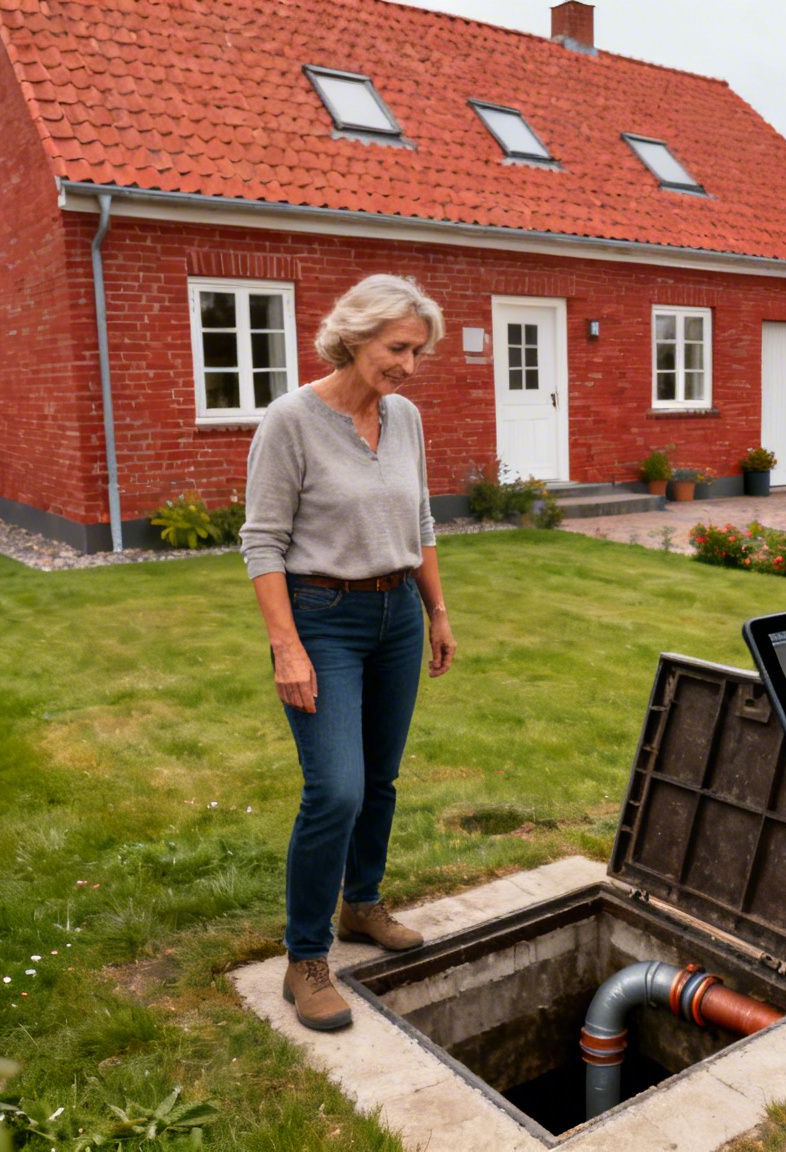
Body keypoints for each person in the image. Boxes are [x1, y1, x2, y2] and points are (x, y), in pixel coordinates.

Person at [241, 274, 457, 1032]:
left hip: (397, 615)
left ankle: (361, 905)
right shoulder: (290, 421)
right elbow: (262, 543)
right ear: (354, 336)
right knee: (336, 789)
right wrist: (287, 647)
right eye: (398, 348)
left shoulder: (406, 418)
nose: (409, 364)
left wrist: (436, 611)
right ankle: (305, 958)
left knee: (380, 779)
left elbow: (421, 521)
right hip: (322, 618)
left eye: (418, 352)